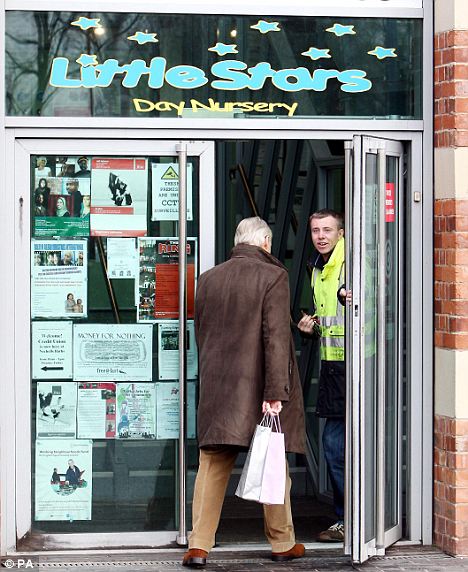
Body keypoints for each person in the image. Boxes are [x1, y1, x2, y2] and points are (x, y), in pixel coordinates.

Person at [183, 217, 306, 568]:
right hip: (257, 388)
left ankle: (199, 546)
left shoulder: (207, 279)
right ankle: (282, 542)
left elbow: (202, 335)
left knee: (212, 465)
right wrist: (275, 392)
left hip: (219, 387)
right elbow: (276, 339)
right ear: (265, 242)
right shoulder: (273, 276)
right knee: (273, 462)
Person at [298, 209, 348, 543]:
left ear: (341, 233)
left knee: (335, 445)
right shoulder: (318, 269)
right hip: (331, 366)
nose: (321, 236)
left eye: (327, 230)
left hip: (356, 366)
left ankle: (353, 517)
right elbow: (327, 318)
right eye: (316, 230)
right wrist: (309, 327)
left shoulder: (351, 265)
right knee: (336, 445)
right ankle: (350, 516)